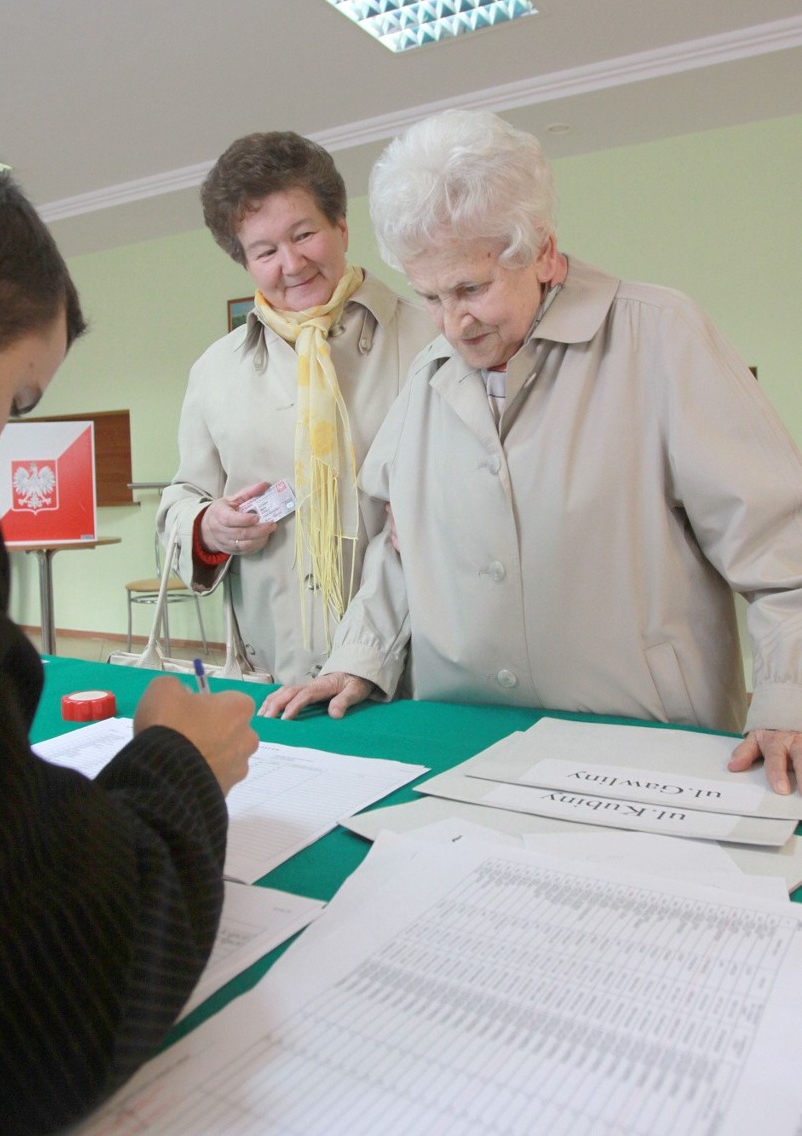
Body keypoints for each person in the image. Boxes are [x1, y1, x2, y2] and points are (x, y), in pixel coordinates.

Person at [261, 109, 802, 796]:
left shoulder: (661, 336)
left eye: (471, 288)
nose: (453, 323)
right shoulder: (429, 375)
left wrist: (790, 698)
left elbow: (781, 545)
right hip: (468, 740)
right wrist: (360, 657)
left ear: (542, 252)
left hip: (648, 747)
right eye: (429, 296)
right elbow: (399, 550)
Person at [0, 154, 259, 1135]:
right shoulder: (218, 371)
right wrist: (182, 769)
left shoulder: (413, 357)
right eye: (21, 399)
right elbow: (25, 990)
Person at [158, 131, 434, 684]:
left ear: (341, 227)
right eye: (264, 251)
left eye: (304, 234)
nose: (292, 262)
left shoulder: (432, 338)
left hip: (415, 673)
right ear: (245, 262)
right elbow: (181, 499)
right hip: (273, 674)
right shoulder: (215, 371)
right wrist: (209, 526)